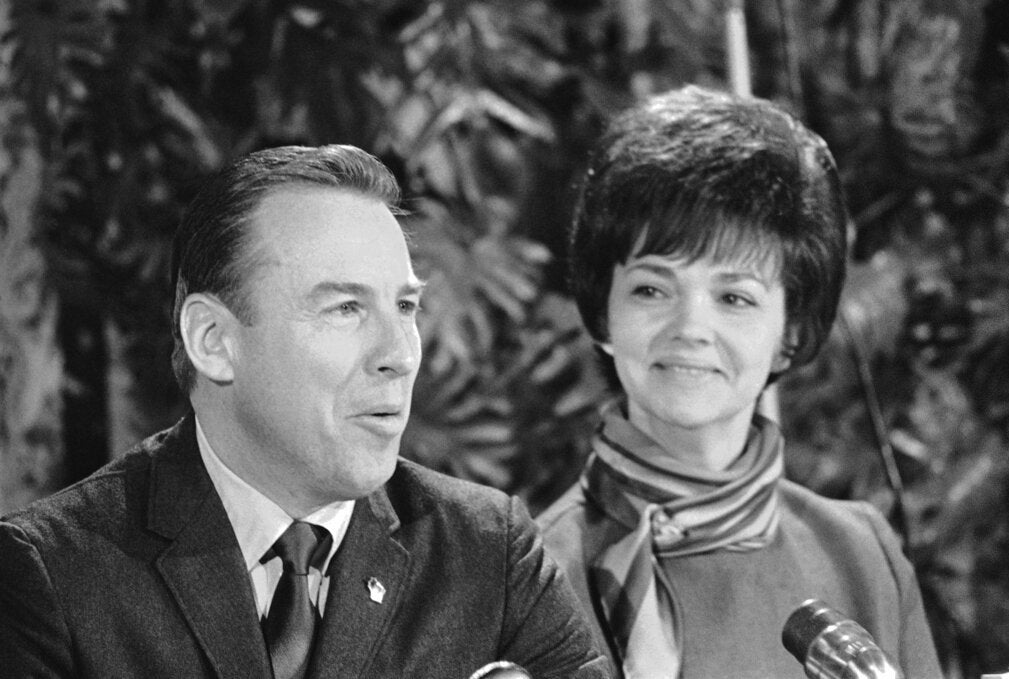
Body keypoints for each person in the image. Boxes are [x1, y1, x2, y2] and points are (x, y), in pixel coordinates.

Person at [0, 144, 609, 679]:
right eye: (346, 308)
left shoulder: (489, 555)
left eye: (404, 307)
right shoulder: (53, 576)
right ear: (214, 340)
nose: (399, 355)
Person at [537, 86, 943, 678]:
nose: (691, 328)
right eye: (652, 289)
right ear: (603, 312)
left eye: (734, 297)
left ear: (791, 329)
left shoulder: (860, 552)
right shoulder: (532, 575)